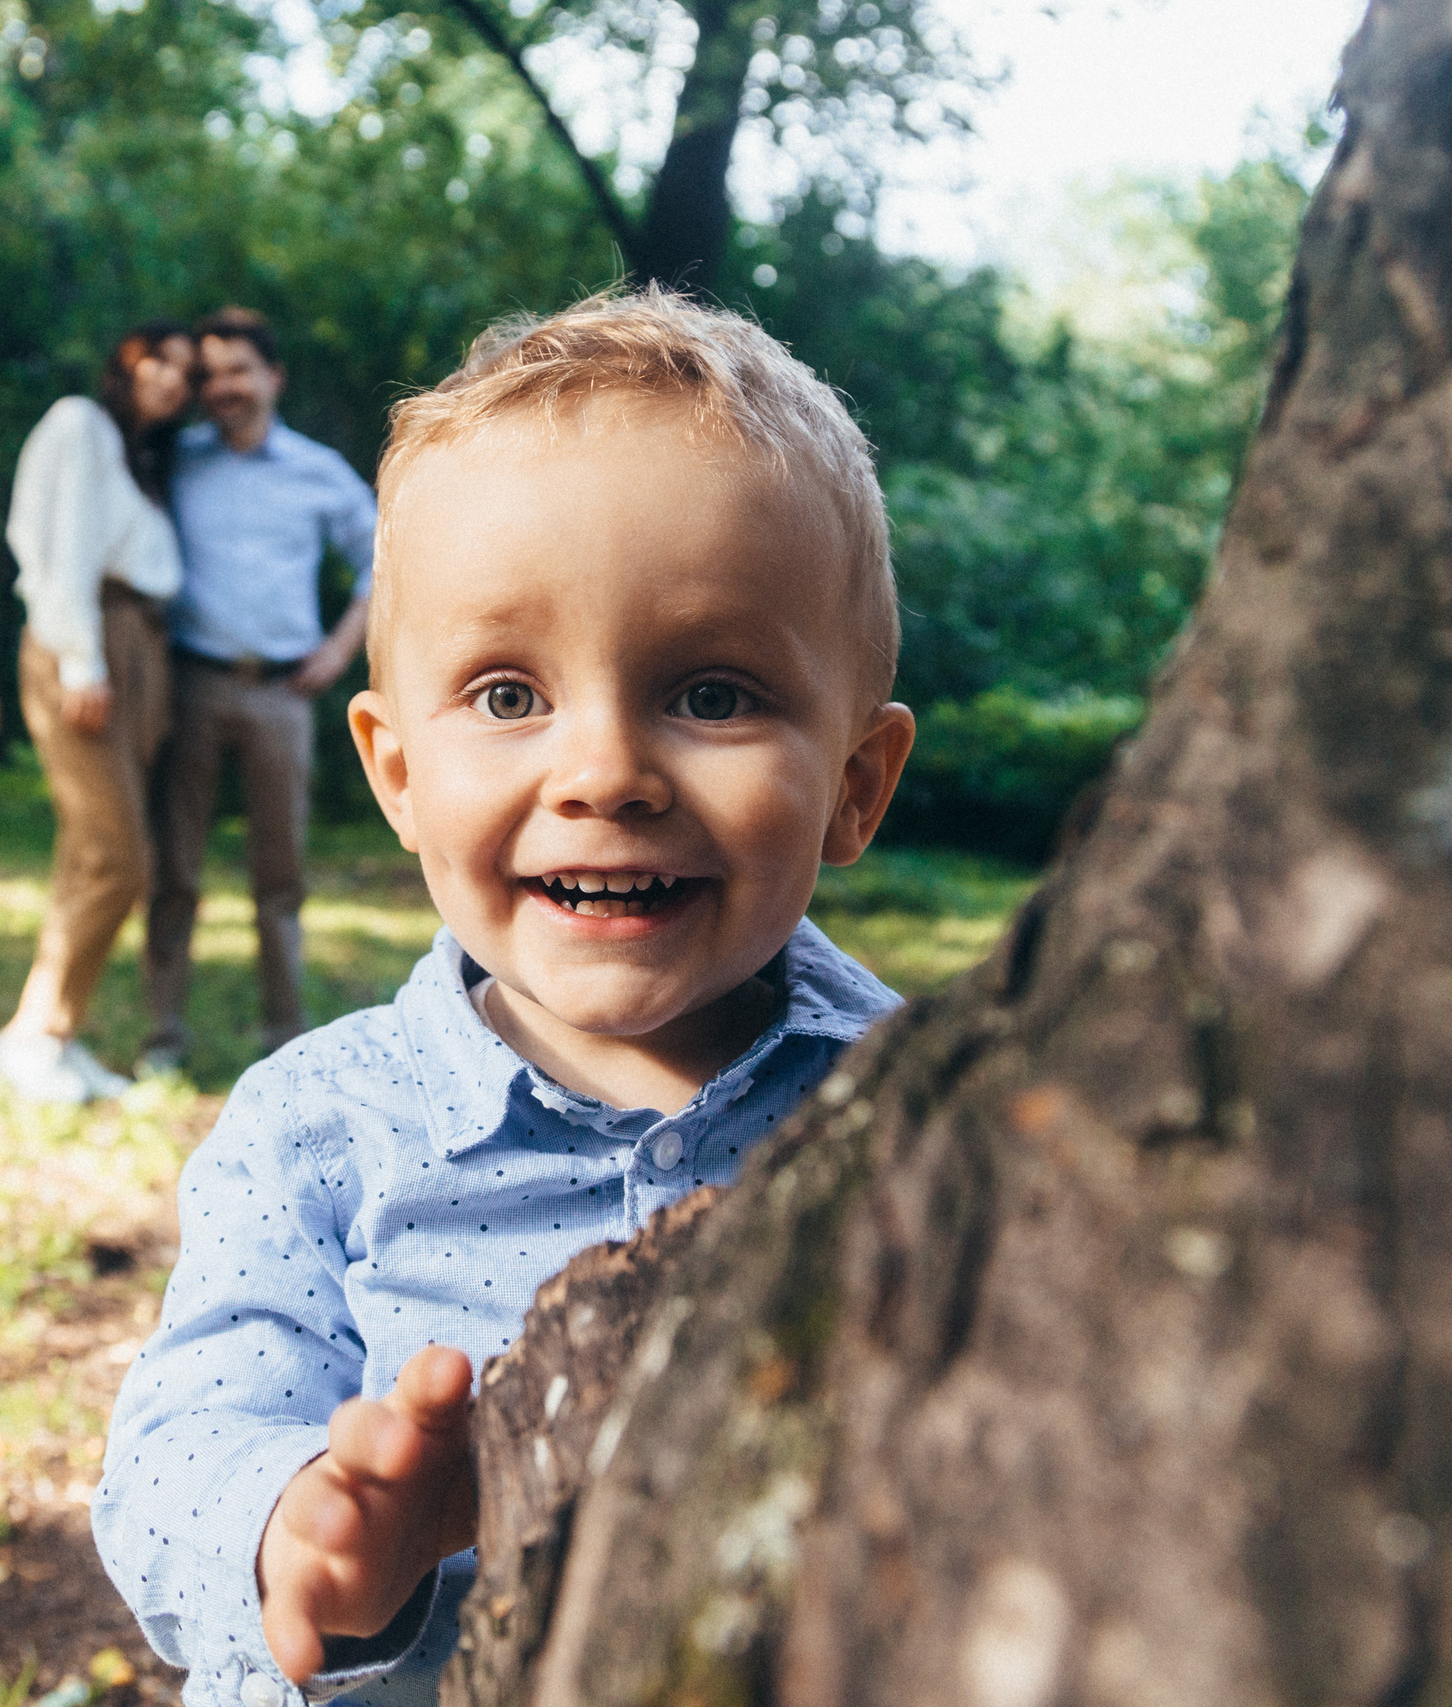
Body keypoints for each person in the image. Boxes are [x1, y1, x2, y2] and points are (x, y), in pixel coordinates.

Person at [89, 289, 921, 1706]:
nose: (605, 769)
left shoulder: (921, 1112)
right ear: (398, 771)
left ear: (855, 784)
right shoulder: (323, 1125)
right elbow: (175, 1443)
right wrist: (308, 1528)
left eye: (711, 693)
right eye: (507, 693)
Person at [140, 308, 379, 1072]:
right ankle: (162, 1042)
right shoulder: (180, 459)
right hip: (191, 685)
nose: (222, 388)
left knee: (280, 877)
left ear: (274, 377)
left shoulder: (316, 470)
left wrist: (340, 650)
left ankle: (284, 1040)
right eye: (209, 376)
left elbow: (387, 557)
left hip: (283, 695)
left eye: (238, 370)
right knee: (174, 870)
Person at [0, 321, 196, 1103]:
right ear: (125, 363)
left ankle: (55, 1033)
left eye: (187, 373)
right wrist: (81, 659)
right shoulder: (81, 422)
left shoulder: (135, 457)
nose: (174, 379)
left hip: (137, 639)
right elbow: (63, 551)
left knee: (86, 851)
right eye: (161, 360)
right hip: (90, 636)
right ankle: (34, 1035)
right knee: (121, 856)